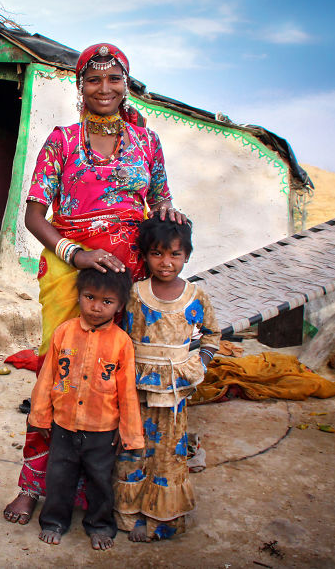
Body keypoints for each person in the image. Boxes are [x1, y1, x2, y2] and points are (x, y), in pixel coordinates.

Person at [3, 42, 186, 525]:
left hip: (129, 280)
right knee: (56, 375)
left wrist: (167, 212)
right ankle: (33, 484)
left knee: (120, 379)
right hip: (72, 274)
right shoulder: (61, 141)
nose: (104, 88)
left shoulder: (148, 143)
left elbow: (161, 197)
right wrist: (77, 253)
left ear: (126, 84)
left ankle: (112, 489)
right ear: (79, 86)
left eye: (114, 79)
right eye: (93, 79)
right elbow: (34, 215)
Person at [113, 215, 220, 541]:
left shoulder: (195, 296)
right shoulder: (135, 293)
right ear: (145, 255)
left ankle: (163, 519)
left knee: (168, 454)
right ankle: (130, 516)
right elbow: (119, 337)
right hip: (136, 389)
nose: (166, 262)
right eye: (158, 253)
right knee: (132, 449)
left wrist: (197, 363)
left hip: (174, 395)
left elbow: (212, 336)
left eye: (175, 254)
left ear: (187, 255)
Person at [28, 268, 143, 550]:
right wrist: (40, 416)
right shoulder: (64, 333)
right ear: (78, 296)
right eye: (90, 297)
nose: (96, 307)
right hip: (64, 425)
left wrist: (129, 435)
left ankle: (100, 525)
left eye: (107, 301)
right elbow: (47, 379)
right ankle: (54, 521)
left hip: (102, 429)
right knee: (59, 478)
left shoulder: (121, 343)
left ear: (120, 306)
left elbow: (128, 393)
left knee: (101, 481)